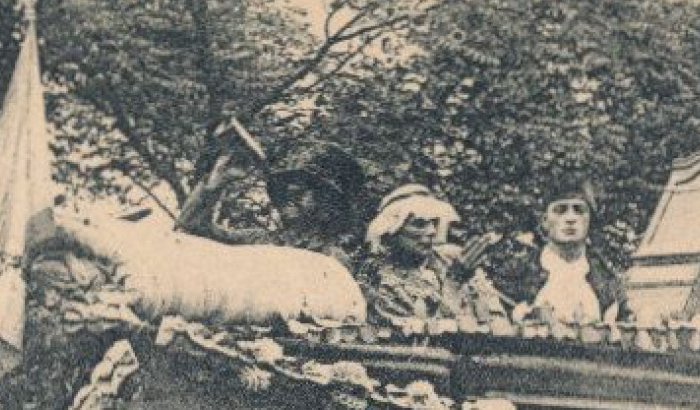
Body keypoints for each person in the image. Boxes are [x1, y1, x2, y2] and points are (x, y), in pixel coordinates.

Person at [176, 128, 367, 265]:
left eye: (301, 190)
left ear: (327, 203)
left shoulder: (332, 258)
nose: (288, 197)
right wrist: (217, 182)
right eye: (283, 191)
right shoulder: (260, 240)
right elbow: (192, 229)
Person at [359, 183, 504, 334]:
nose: (432, 231)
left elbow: (500, 325)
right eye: (419, 224)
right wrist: (453, 283)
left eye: (434, 222)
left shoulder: (450, 261)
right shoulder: (376, 276)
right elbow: (422, 338)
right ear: (391, 232)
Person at [494, 177, 630, 326]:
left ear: (589, 220)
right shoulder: (516, 275)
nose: (570, 218)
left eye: (579, 210)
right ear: (545, 221)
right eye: (560, 210)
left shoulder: (607, 280)